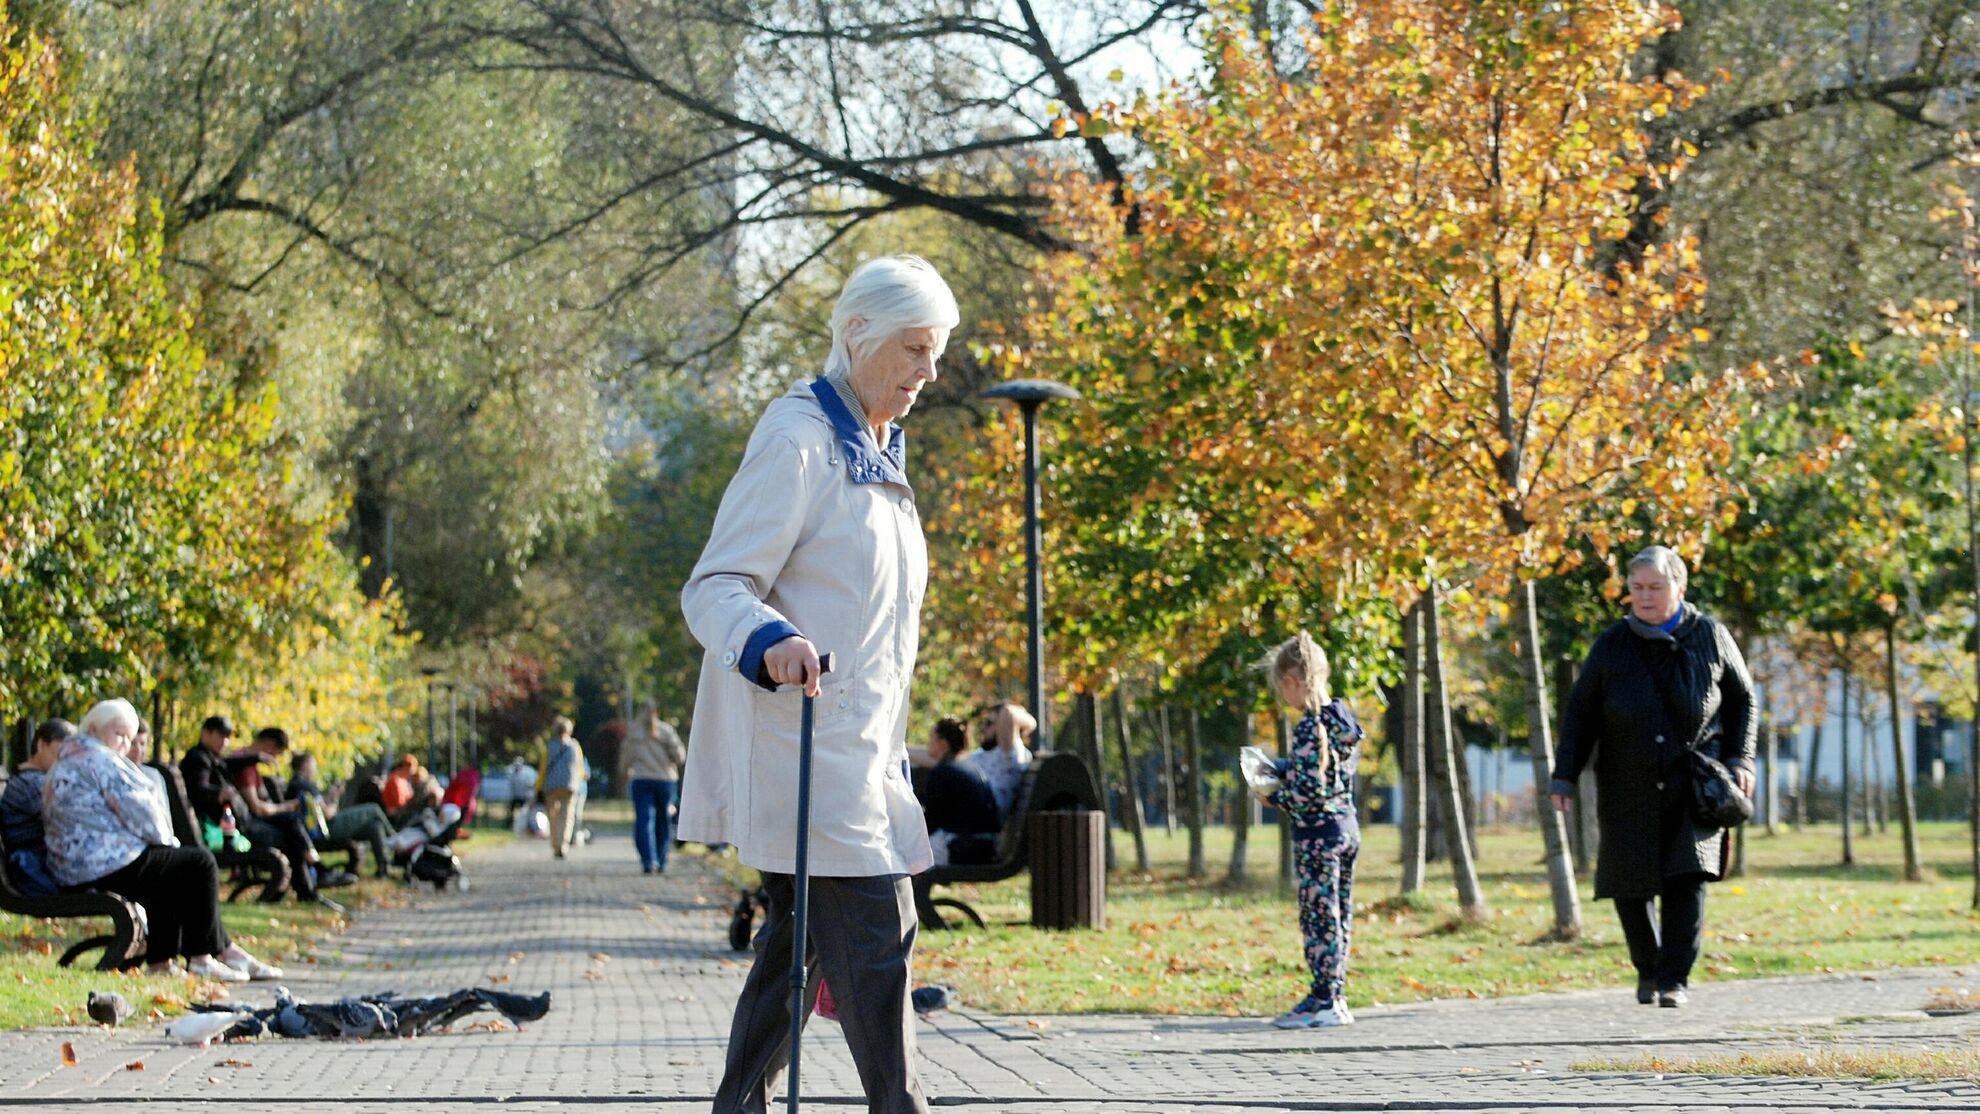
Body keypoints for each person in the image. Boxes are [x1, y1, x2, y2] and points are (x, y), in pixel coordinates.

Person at [680, 254, 957, 1114]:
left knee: (795, 953)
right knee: (882, 941)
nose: (928, 372)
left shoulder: (878, 454)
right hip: (807, 750)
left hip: (860, 752)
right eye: (913, 349)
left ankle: (737, 1109)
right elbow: (717, 585)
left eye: (935, 352)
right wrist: (771, 637)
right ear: (855, 335)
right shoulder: (799, 439)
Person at [1549, 545, 1757, 1009]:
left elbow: (1744, 699)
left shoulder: (1711, 635)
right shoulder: (1611, 645)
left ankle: (1674, 979)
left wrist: (1742, 759)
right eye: (1637, 588)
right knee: (1630, 881)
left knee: (1688, 877)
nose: (1644, 597)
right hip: (1627, 782)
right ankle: (1648, 968)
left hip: (1694, 780)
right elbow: (1581, 714)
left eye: (1655, 587)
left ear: (1679, 588)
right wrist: (1564, 776)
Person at [45, 699, 280, 981]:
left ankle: (164, 963)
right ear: (94, 729)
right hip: (98, 864)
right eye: (119, 734)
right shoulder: (100, 759)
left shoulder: (70, 758)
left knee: (167, 868)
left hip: (76, 863)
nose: (124, 744)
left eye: (129, 738)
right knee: (198, 862)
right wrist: (167, 841)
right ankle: (204, 957)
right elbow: (141, 812)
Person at [1258, 632, 1364, 1030]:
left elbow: (1308, 792)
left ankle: (1323, 999)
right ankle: (1334, 993)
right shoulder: (1340, 719)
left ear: (1292, 681)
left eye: (1280, 686)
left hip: (1317, 837)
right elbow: (1326, 773)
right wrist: (1285, 768)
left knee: (1319, 920)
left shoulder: (1309, 727)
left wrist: (1274, 797)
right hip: (1346, 829)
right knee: (1339, 916)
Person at [231, 727, 352, 899]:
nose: (275, 759)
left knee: (293, 829)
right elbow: (257, 807)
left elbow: (263, 800)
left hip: (251, 821)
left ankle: (309, 887)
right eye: (277, 753)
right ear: (269, 745)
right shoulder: (245, 764)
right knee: (292, 826)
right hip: (247, 826)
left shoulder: (247, 762)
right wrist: (285, 807)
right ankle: (314, 875)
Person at [288, 753, 396, 879]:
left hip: (319, 828)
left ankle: (384, 868)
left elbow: (318, 808)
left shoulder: (296, 783)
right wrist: (335, 799)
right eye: (314, 765)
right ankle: (395, 839)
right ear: (305, 765)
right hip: (325, 830)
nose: (315, 770)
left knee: (374, 826)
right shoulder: (305, 785)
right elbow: (328, 814)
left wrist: (331, 796)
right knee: (373, 809)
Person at [1, 719, 75, 896]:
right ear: (42, 744)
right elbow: (71, 818)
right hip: (43, 871)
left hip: (48, 867)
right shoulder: (33, 784)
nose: (69, 757)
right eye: (64, 749)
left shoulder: (35, 781)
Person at [916, 717, 1001, 866]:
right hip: (983, 848)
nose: (928, 742)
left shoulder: (943, 772)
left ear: (942, 744)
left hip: (963, 850)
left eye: (931, 737)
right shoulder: (968, 766)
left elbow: (930, 822)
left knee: (906, 855)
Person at [618, 702, 686, 874]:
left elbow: (625, 757)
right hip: (665, 780)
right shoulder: (666, 731)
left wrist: (625, 770)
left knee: (644, 820)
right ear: (657, 712)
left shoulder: (634, 732)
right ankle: (662, 859)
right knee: (664, 820)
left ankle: (649, 860)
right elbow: (679, 756)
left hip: (641, 779)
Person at [962, 701, 1035, 820]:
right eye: (984, 722)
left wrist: (1031, 723)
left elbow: (1008, 712)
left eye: (989, 723)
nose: (983, 727)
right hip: (968, 812)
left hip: (985, 818)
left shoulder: (1011, 751)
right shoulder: (981, 754)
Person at [535, 717, 588, 860]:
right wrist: (581, 778)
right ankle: (563, 844)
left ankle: (555, 844)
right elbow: (580, 768)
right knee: (567, 815)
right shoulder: (575, 746)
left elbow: (543, 768)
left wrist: (538, 786)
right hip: (569, 785)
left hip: (551, 785)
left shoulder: (549, 747)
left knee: (553, 816)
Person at [380, 753, 443, 828]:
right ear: (406, 767)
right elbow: (399, 802)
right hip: (395, 815)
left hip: (404, 811)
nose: (413, 772)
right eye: (412, 769)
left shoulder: (404, 780)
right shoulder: (395, 780)